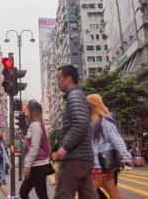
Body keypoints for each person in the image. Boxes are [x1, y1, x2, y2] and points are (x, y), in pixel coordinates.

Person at [52, 65, 97, 199]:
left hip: (75, 159)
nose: (57, 81)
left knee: (63, 195)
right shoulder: (76, 95)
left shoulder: (74, 96)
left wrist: (64, 148)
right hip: (83, 158)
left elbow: (80, 123)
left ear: (69, 79)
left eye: (59, 78)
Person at [87, 94, 133, 199]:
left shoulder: (105, 121)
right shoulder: (93, 122)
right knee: (114, 192)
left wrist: (126, 157)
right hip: (99, 165)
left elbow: (117, 140)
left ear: (93, 105)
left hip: (100, 166)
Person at [20, 100, 52, 199]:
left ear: (31, 111)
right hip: (39, 166)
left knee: (23, 192)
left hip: (38, 166)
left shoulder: (35, 125)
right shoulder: (36, 125)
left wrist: (27, 165)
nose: (25, 113)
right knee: (42, 195)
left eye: (26, 110)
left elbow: (34, 148)